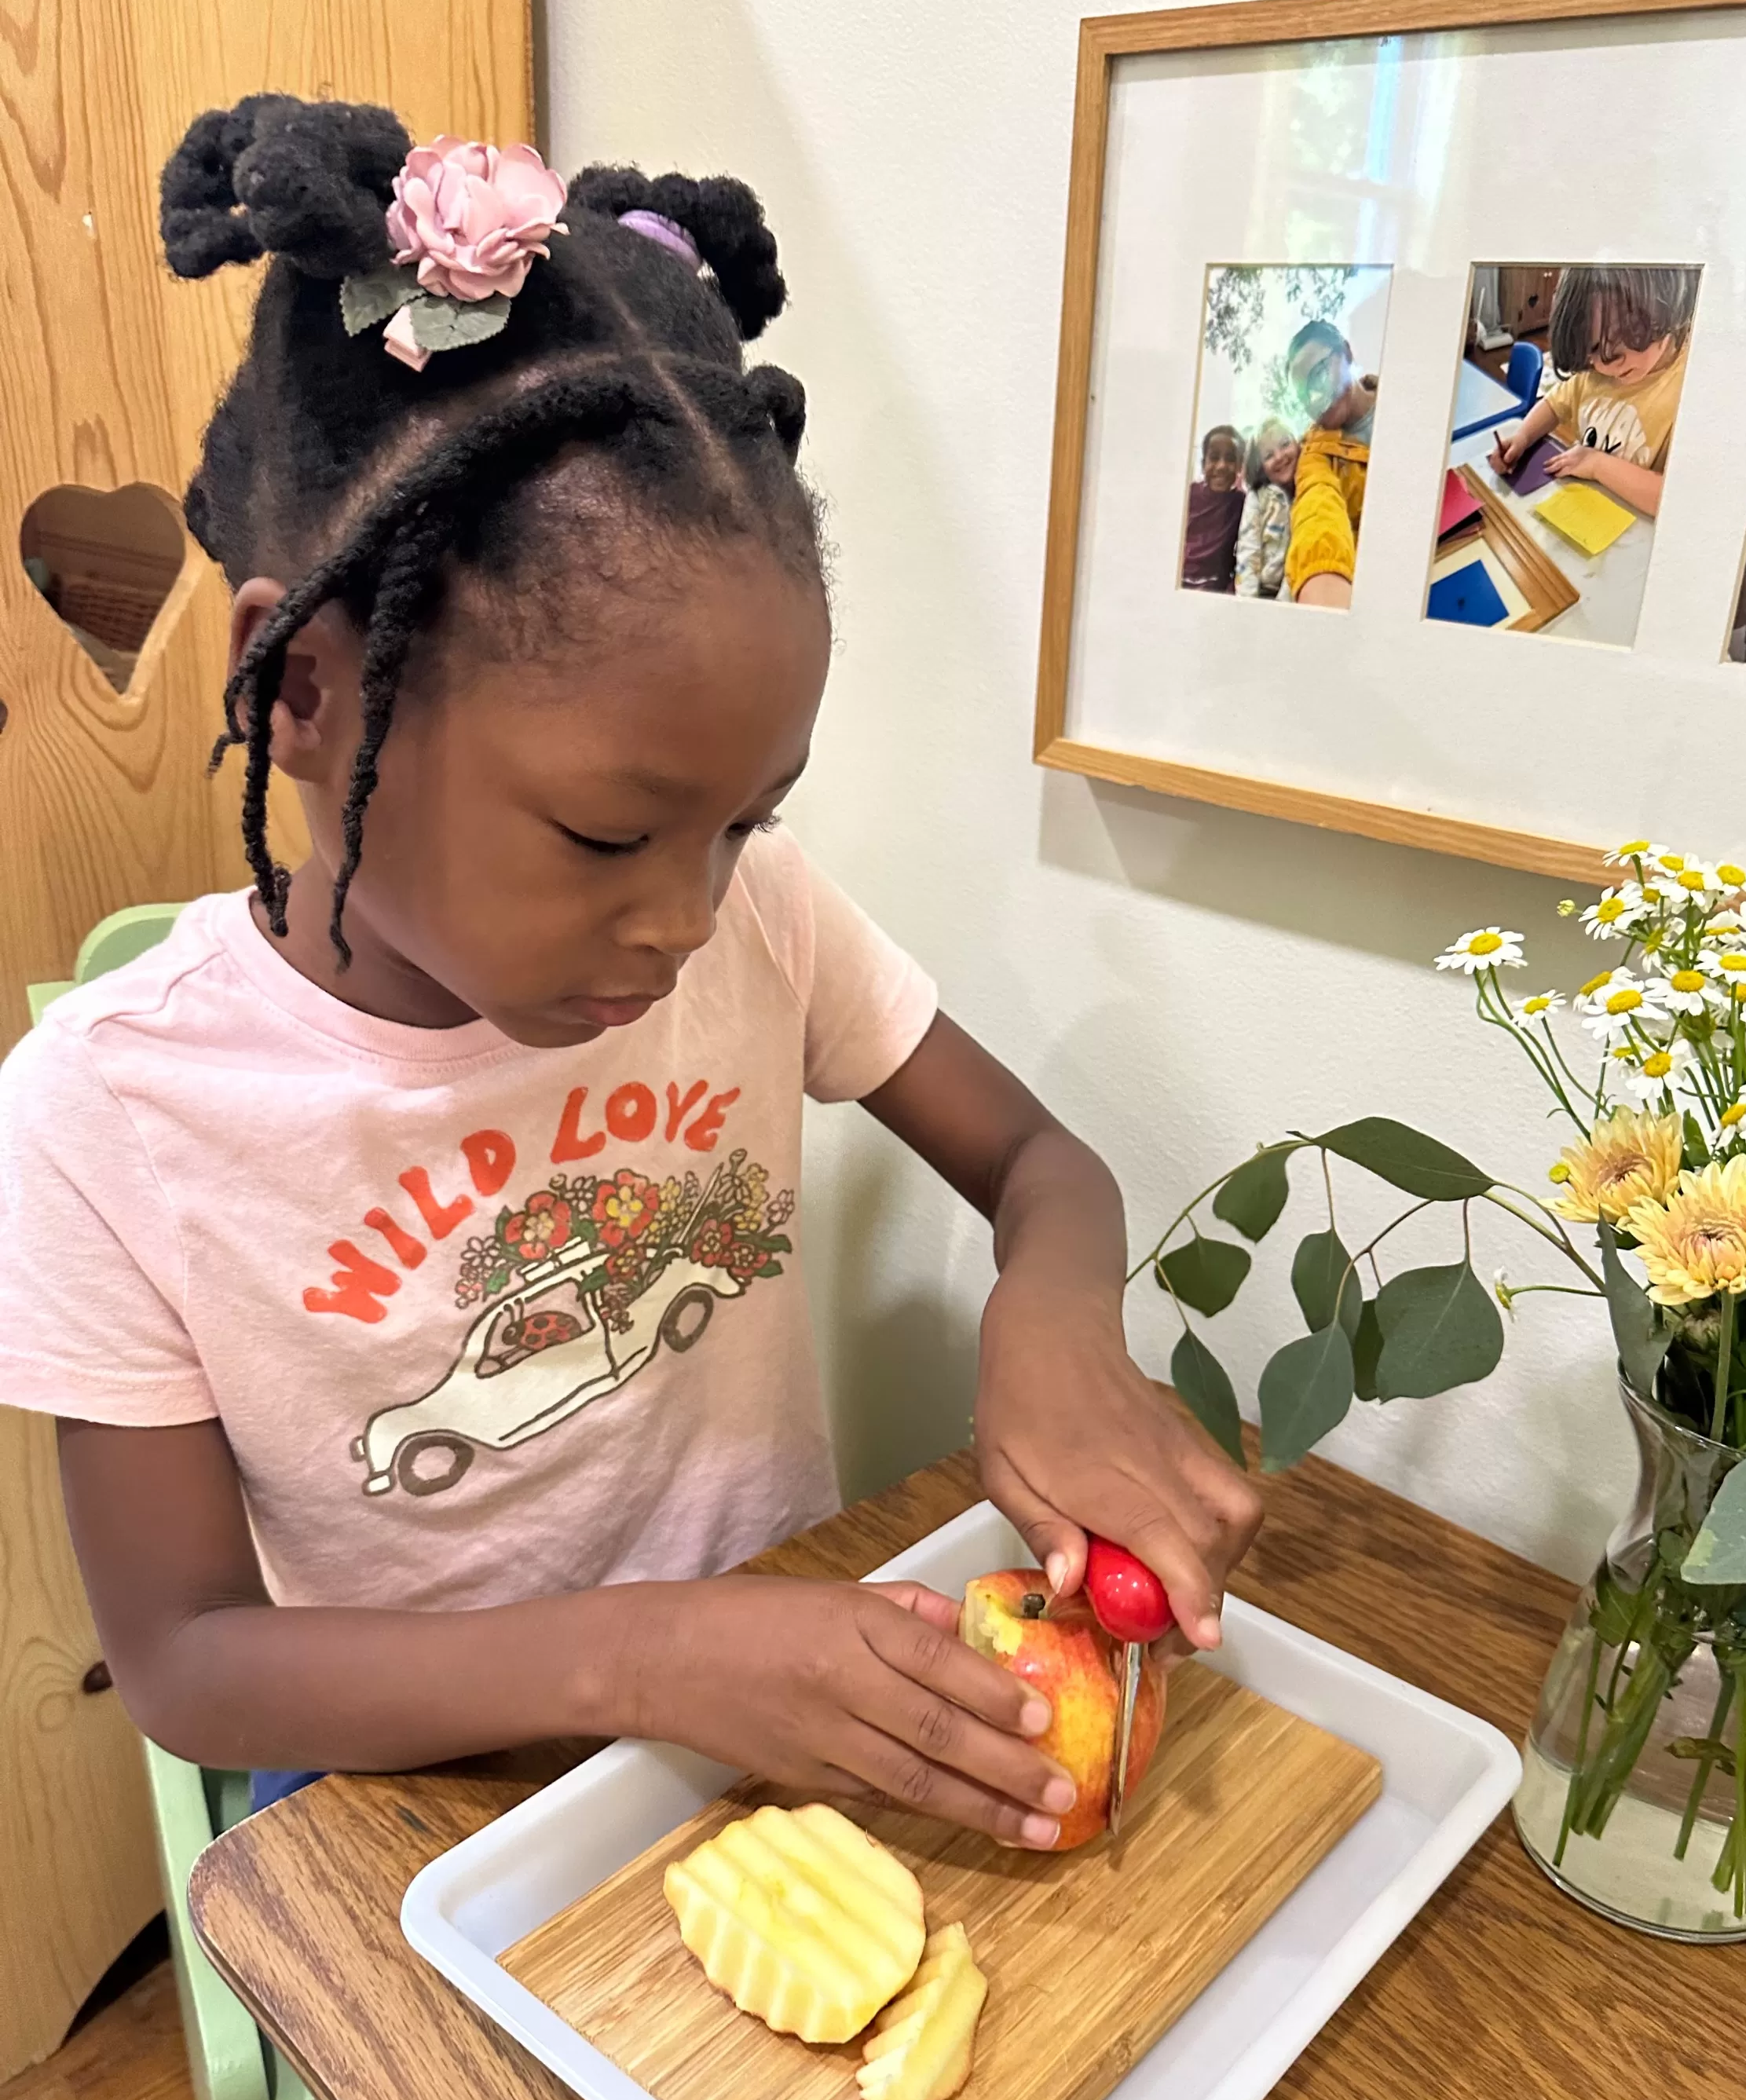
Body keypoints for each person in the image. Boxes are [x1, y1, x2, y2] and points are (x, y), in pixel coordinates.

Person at [0, 98, 1261, 1838]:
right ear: (301, 690)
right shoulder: (108, 1114)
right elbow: (191, 1664)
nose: (685, 919)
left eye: (744, 823)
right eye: (608, 836)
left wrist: (1051, 1319)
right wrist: (648, 1658)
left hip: (783, 1724)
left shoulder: (766, 922)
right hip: (417, 1796)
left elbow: (1043, 1163)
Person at [1488, 265, 1695, 520]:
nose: (1603, 366)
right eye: (1591, 351)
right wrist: (1523, 437)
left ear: (1665, 311)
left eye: (1616, 343)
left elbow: (1680, 499)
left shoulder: (1691, 387)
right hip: (1583, 515)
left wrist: (1597, 464)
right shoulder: (1595, 373)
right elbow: (1554, 404)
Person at [1283, 323, 1376, 609]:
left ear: (1346, 353)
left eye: (1319, 375)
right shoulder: (1315, 455)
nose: (1315, 400)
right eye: (1303, 396)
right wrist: (1322, 577)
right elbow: (1316, 504)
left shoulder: (1406, 398)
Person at [1235, 420, 1297, 599]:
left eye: (1285, 444)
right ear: (1260, 466)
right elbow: (1248, 551)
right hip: (1260, 592)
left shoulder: (1308, 492)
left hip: (1292, 593)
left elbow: (1299, 555)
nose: (1279, 457)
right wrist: (1247, 603)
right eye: (1269, 455)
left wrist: (1283, 604)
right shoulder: (1257, 497)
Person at [1182, 423, 1244, 591]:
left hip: (1215, 590)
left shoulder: (1241, 504)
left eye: (1230, 459)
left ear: (1240, 466)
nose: (1222, 466)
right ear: (1204, 464)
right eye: (1214, 457)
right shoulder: (1187, 495)